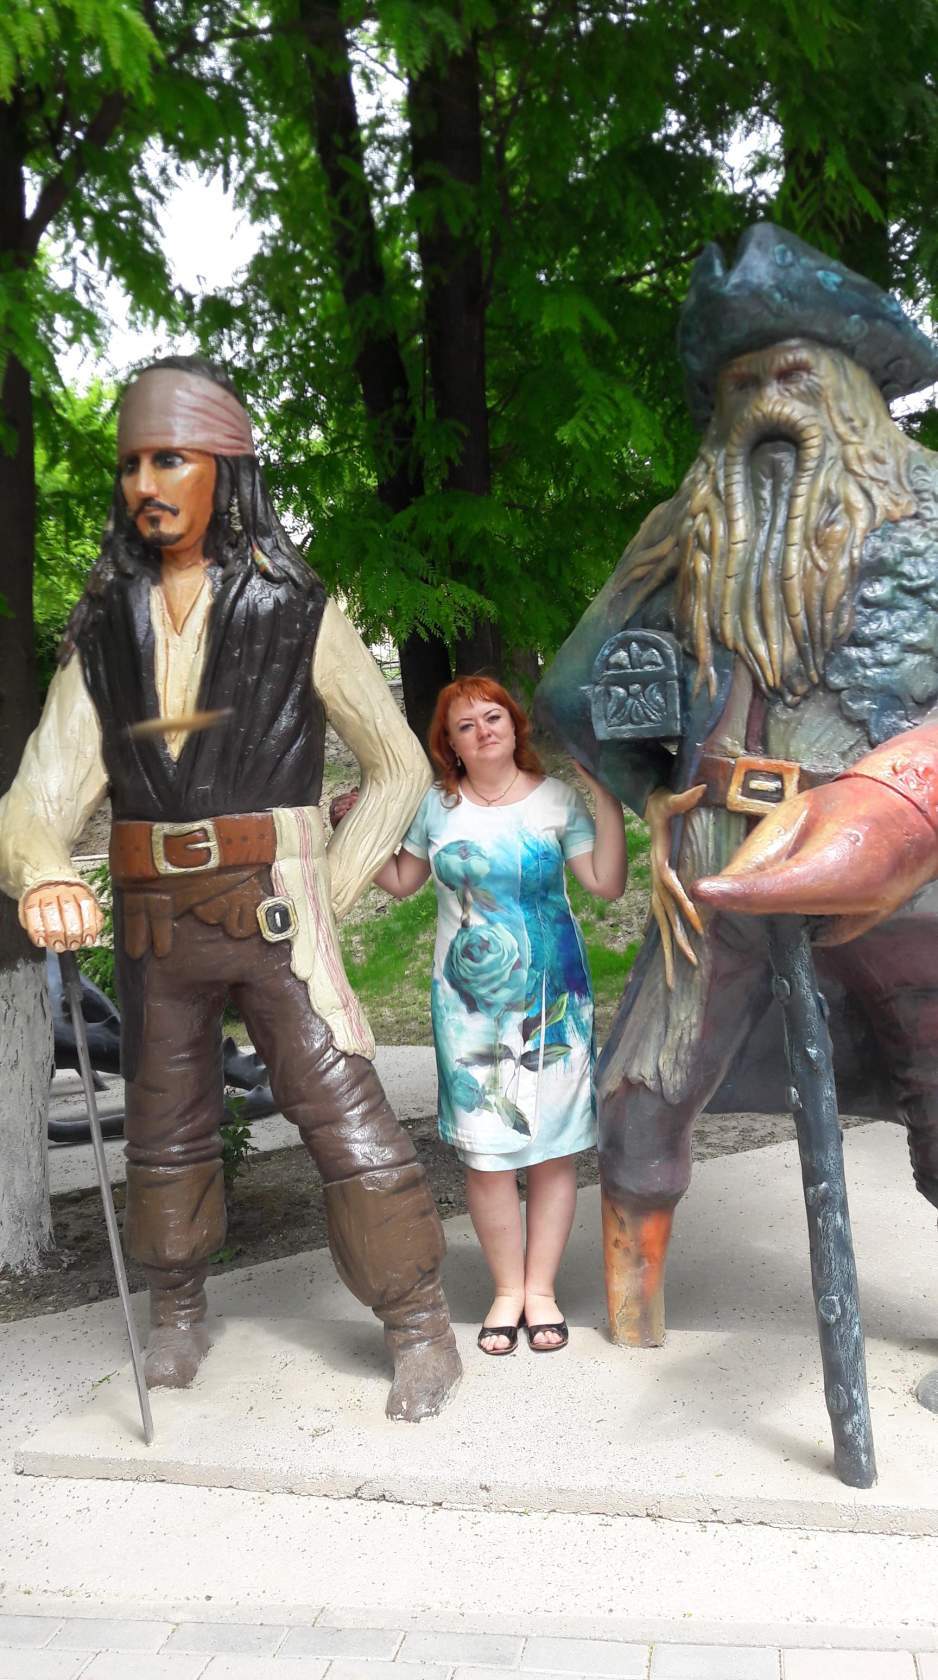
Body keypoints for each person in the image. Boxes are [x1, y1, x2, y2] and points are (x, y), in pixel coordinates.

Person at [0, 355, 462, 1422]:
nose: (146, 484)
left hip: (273, 910)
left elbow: (396, 767)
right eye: (132, 464)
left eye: (172, 459)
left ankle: (417, 1322)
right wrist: (46, 871)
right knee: (162, 1124)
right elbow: (37, 797)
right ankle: (175, 1315)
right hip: (156, 928)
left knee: (340, 1108)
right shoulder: (103, 635)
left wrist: (329, 887)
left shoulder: (299, 613)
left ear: (228, 468)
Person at [535, 221, 938, 1352]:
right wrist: (655, 788)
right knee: (647, 1085)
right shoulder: (684, 535)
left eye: (791, 375)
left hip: (907, 863)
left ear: (852, 390)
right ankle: (633, 1317)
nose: (765, 401)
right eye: (740, 385)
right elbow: (573, 690)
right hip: (714, 856)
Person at [366, 675, 626, 1354]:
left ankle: (541, 1291)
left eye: (493, 717)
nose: (483, 731)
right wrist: (355, 830)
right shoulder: (435, 806)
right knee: (486, 1155)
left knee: (553, 1150)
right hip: (468, 1009)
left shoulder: (556, 799)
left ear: (514, 725)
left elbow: (605, 884)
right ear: (449, 744)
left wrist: (607, 803)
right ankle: (506, 1291)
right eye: (465, 725)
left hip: (553, 1002)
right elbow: (401, 882)